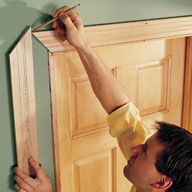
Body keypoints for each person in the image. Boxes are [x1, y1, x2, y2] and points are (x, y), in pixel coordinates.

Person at [13, 6, 192, 192]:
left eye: (144, 152)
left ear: (161, 183)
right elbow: (120, 110)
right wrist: (82, 44)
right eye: (144, 145)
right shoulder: (151, 177)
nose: (134, 149)